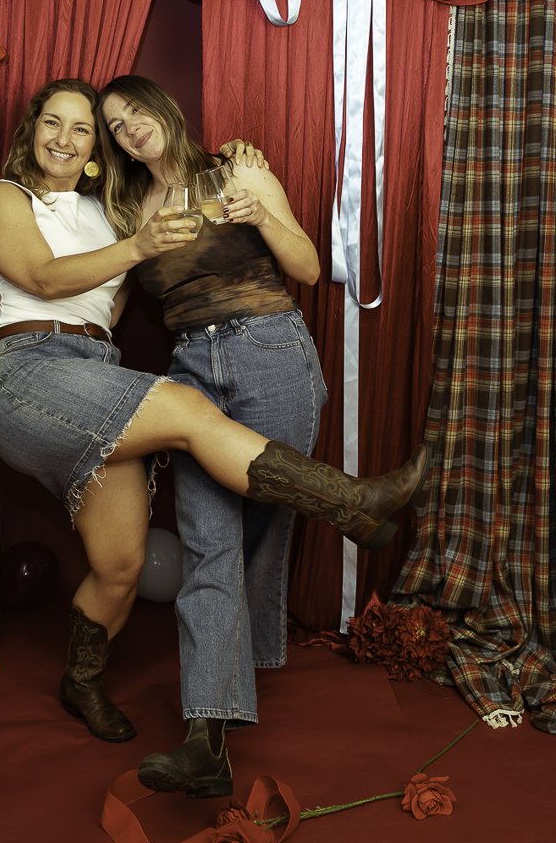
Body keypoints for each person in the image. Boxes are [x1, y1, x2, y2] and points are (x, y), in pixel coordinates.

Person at [0, 77, 428, 790]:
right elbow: (48, 275)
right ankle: (355, 503)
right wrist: (16, 305)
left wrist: (250, 216)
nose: (95, 134)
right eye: (73, 123)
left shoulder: (169, 192)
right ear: (34, 131)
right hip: (89, 368)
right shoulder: (46, 202)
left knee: (137, 562)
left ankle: (167, 727)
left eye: (95, 126)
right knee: (198, 477)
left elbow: (121, 296)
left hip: (201, 357)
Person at [94, 74, 394, 796]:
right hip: (191, 372)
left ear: (163, 108)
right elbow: (100, 293)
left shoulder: (238, 168)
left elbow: (308, 267)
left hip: (270, 350)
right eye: (115, 124)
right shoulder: (131, 210)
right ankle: (207, 738)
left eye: (136, 109)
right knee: (207, 541)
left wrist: (262, 213)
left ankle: (246, 665)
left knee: (264, 524)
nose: (130, 126)